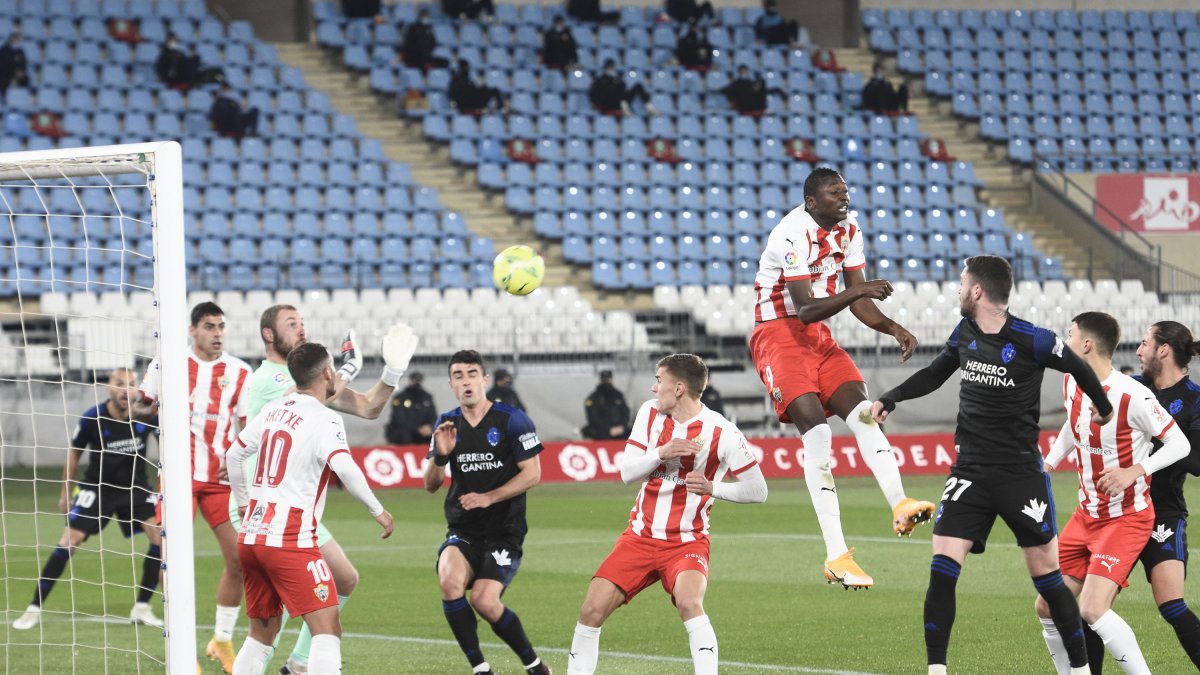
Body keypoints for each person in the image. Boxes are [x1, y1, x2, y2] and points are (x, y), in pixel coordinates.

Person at [869, 255, 1115, 675]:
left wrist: (1104, 406)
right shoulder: (964, 332)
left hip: (1021, 474)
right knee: (942, 571)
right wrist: (890, 397)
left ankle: (1079, 671)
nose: (959, 290)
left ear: (978, 291)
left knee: (1049, 581)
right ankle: (937, 670)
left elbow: (1076, 365)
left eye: (963, 283)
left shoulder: (1031, 339)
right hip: (970, 473)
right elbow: (935, 373)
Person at [748, 167, 934, 590]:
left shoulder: (849, 229)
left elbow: (857, 301)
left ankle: (900, 503)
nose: (844, 198)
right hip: (778, 332)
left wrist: (892, 328)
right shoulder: (790, 234)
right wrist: (859, 290)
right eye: (835, 193)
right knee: (817, 436)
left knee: (866, 414)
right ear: (813, 202)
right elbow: (806, 307)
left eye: (845, 191)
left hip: (818, 337)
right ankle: (836, 555)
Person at [241, 305, 417, 675]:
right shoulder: (266, 381)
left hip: (283, 512)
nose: (301, 329)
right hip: (279, 511)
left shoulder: (306, 385)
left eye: (303, 323)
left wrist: (392, 371)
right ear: (269, 335)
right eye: (292, 324)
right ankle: (304, 663)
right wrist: (346, 368)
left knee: (344, 579)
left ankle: (299, 663)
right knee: (304, 620)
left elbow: (369, 407)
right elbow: (303, 396)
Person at [567, 354, 768, 674]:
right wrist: (662, 452)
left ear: (678, 388)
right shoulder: (649, 413)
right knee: (591, 610)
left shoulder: (723, 431)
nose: (652, 387)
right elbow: (627, 473)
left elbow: (759, 490)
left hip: (687, 541)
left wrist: (714, 488)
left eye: (658, 380)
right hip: (639, 537)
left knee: (690, 604)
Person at [1037, 312, 1189, 674]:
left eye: (1070, 334)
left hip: (1127, 518)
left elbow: (1179, 444)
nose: (1065, 340)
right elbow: (1073, 429)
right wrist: (1049, 462)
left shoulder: (1133, 395)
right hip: (1085, 514)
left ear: (1086, 344)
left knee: (1092, 609)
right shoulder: (1072, 382)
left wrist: (1135, 470)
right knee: (1046, 607)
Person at [133, 302, 254, 672]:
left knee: (240, 560)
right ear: (192, 330)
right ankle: (181, 654)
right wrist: (146, 407)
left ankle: (221, 639)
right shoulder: (166, 363)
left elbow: (246, 429)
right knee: (174, 562)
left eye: (221, 326)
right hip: (178, 478)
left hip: (220, 481)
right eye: (209, 326)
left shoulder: (239, 371)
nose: (217, 333)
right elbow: (140, 409)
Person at [423, 350, 551, 675]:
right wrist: (441, 457)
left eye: (471, 374)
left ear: (484, 379)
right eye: (458, 376)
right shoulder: (447, 423)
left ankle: (534, 666)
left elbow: (533, 473)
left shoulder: (512, 419)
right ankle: (481, 669)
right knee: (449, 583)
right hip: (463, 529)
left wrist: (489, 497)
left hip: (503, 532)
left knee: (485, 601)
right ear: (451, 384)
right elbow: (431, 485)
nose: (465, 382)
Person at [12, 369, 162, 631]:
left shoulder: (147, 417)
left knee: (161, 539)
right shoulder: (92, 418)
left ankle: (142, 607)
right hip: (98, 487)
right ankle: (33, 608)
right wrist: (64, 493)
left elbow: (168, 445)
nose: (126, 389)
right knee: (69, 541)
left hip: (135, 487)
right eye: (119, 384)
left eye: (131, 384)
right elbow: (73, 454)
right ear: (108, 389)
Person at [1131, 320, 1200, 670]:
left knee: (1172, 606)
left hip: (1163, 513)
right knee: (1090, 609)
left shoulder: (1194, 400)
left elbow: (1199, 461)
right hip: (1120, 512)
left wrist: (1163, 437)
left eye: (1144, 343)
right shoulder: (1129, 388)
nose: (1138, 351)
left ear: (1164, 350)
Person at [588, 59, 656, 117]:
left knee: (638, 86)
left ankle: (648, 106)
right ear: (605, 68)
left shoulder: (617, 79)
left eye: (612, 67)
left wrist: (617, 82)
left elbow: (623, 85)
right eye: (609, 67)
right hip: (609, 103)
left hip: (621, 101)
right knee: (615, 88)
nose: (611, 69)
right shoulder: (600, 80)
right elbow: (595, 95)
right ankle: (624, 107)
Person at [386, 371, 438, 446]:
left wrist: (430, 427)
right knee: (404, 435)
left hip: (423, 430)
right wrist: (417, 429)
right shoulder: (400, 398)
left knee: (437, 435)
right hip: (405, 431)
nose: (417, 382)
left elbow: (433, 416)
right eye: (415, 380)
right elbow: (399, 419)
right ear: (410, 380)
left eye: (419, 380)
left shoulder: (427, 397)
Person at [581, 370, 630, 440]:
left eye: (608, 380)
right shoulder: (593, 398)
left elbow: (625, 412)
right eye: (605, 380)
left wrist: (622, 426)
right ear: (601, 381)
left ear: (612, 380)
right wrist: (608, 429)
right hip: (602, 430)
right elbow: (593, 418)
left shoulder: (618, 395)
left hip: (620, 429)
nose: (607, 382)